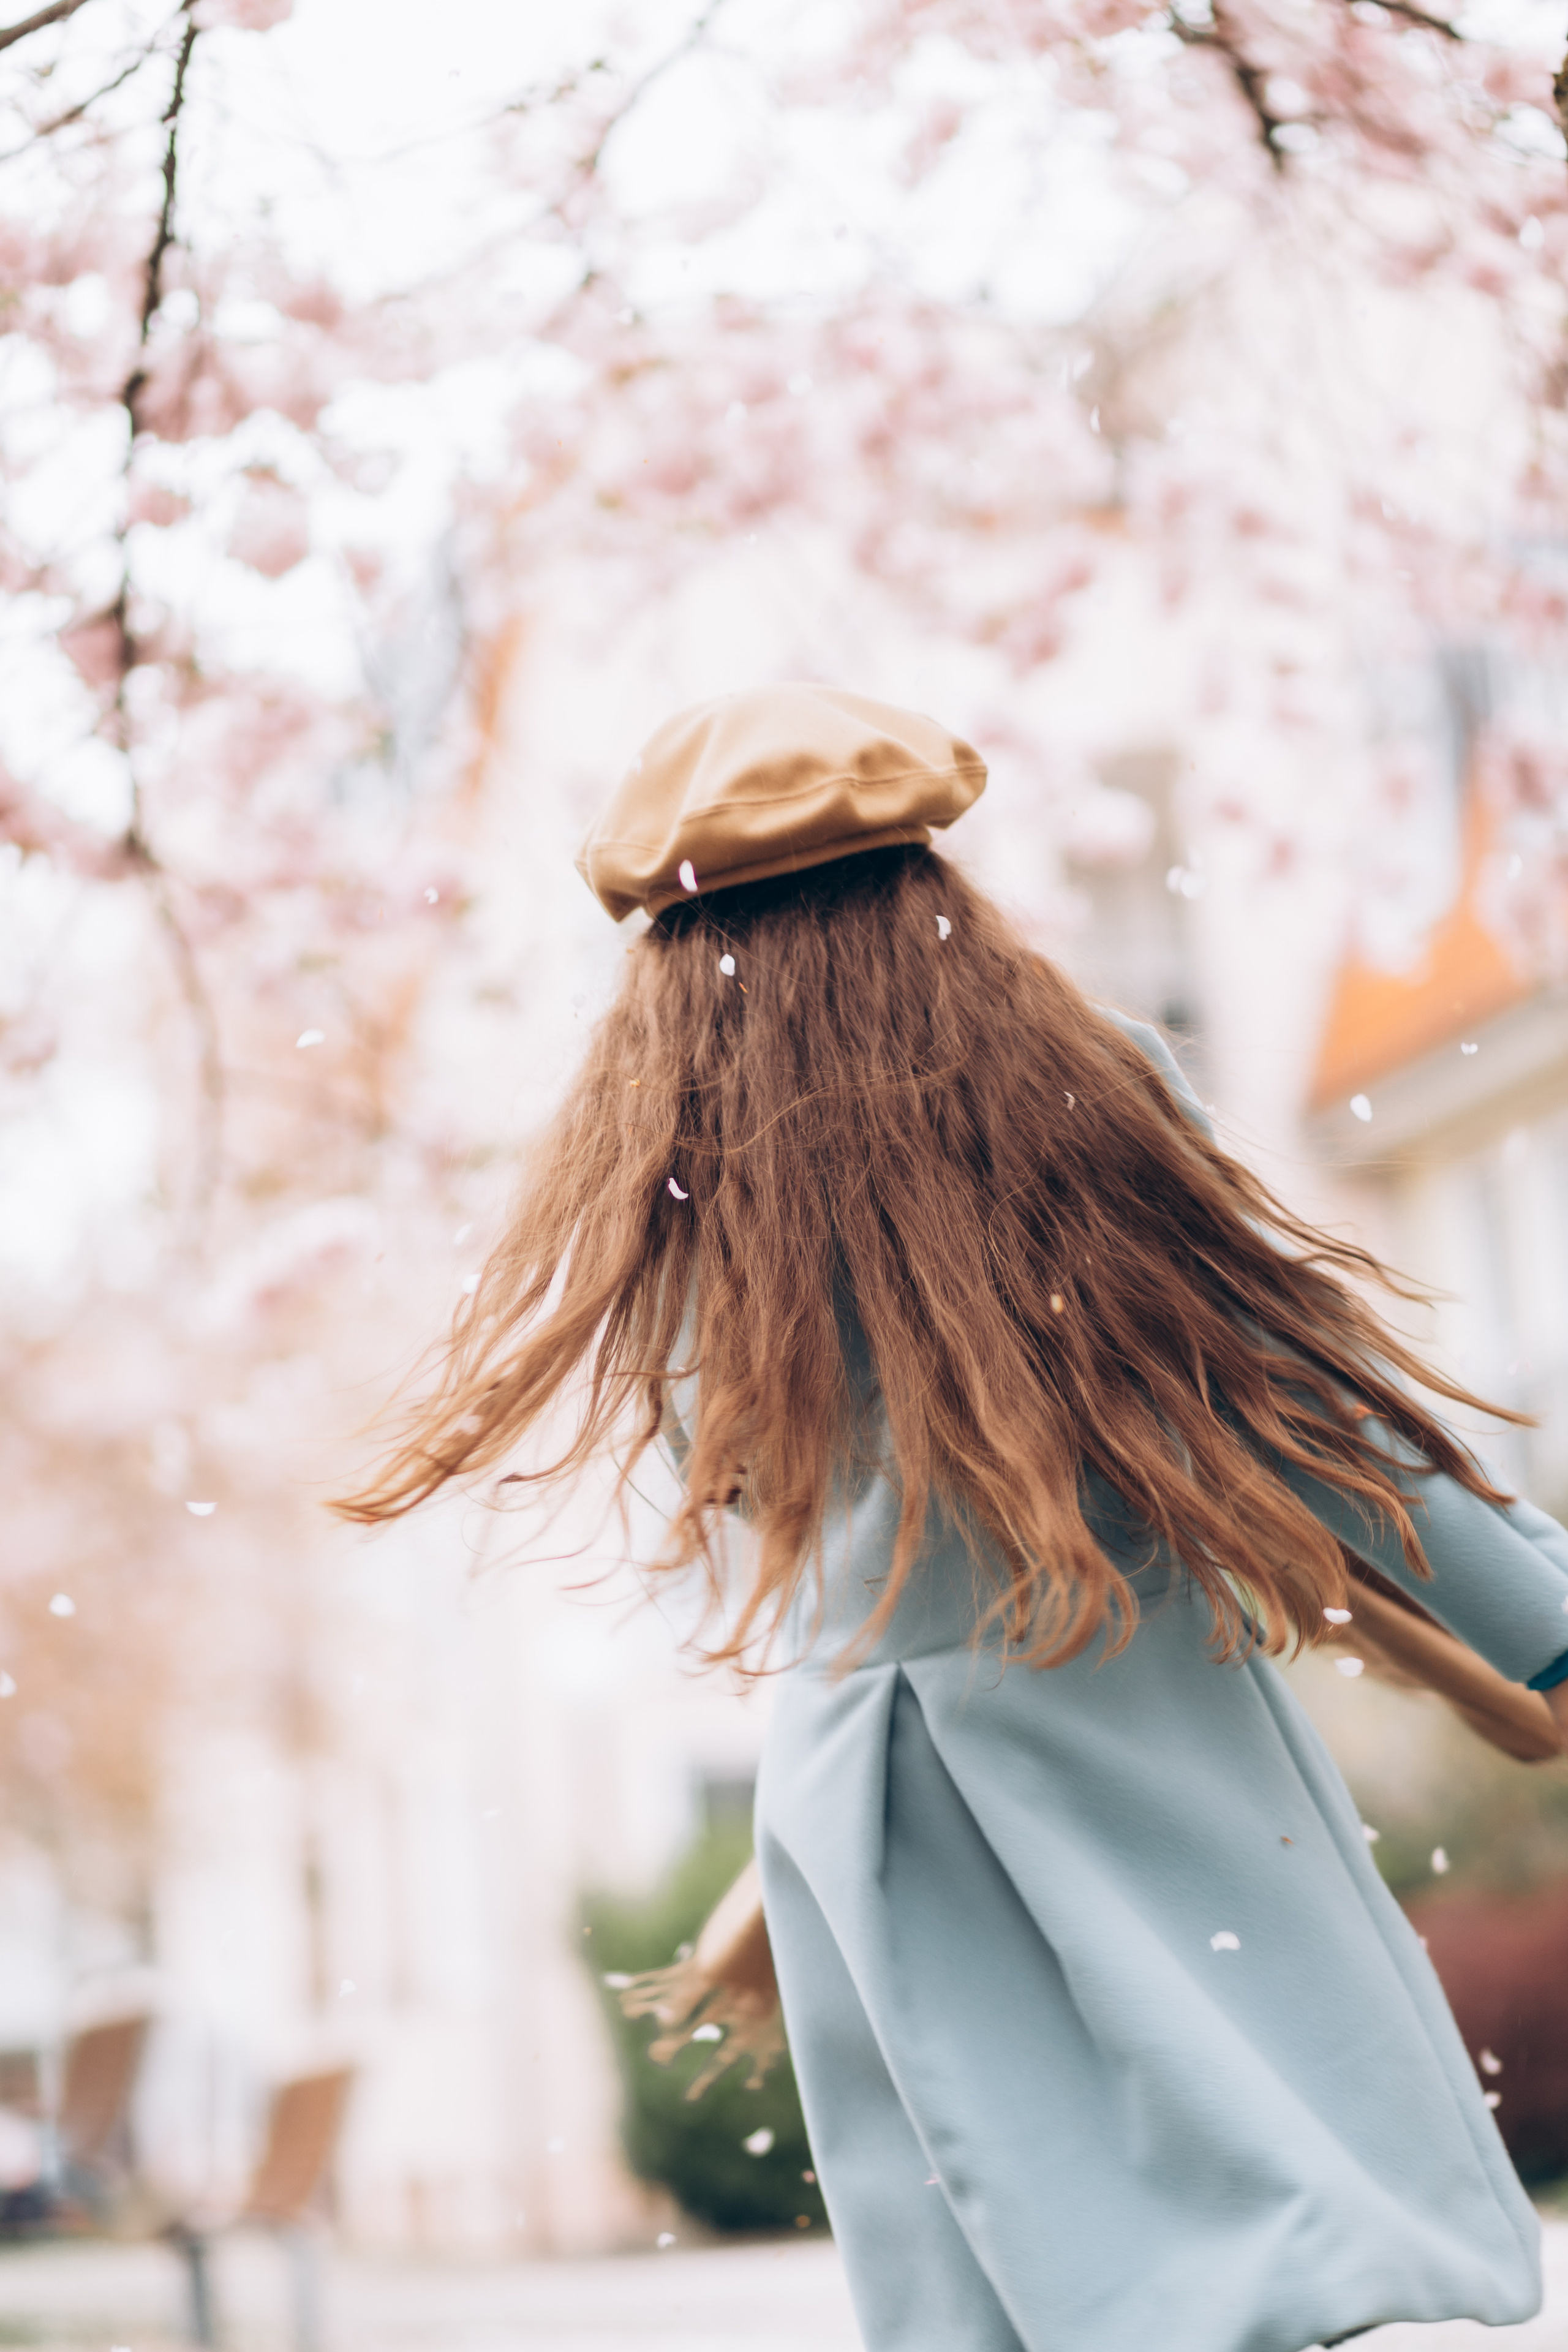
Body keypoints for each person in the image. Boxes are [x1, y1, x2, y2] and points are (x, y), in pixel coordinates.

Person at [340, 682, 1568, 2352]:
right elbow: (1300, 1392)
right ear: (935, 897)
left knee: (996, 2228)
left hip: (869, 1794)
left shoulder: (678, 1186)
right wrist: (1539, 1626)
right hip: (1123, 1708)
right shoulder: (1072, 1094)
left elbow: (826, 1541)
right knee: (1267, 2175)